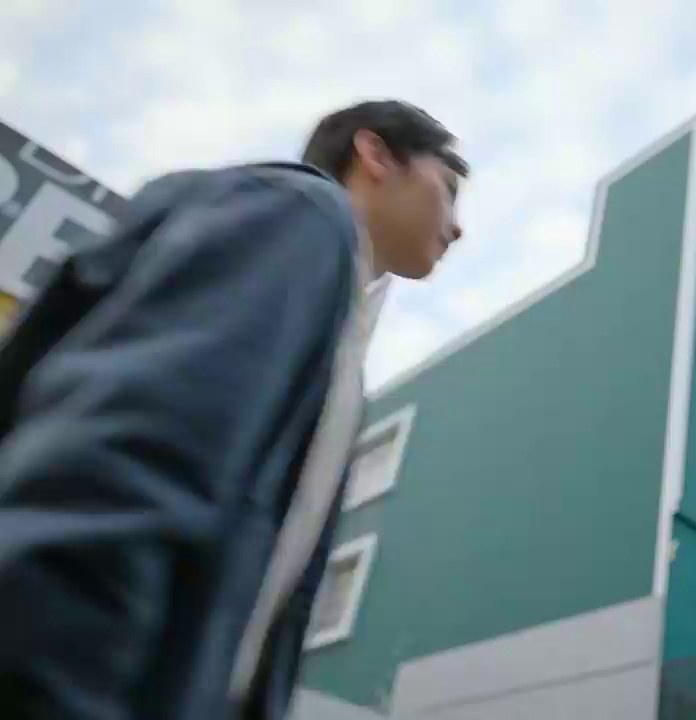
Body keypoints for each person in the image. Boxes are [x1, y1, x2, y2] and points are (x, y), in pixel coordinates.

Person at [0, 99, 467, 719]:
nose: (458, 227)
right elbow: (123, 464)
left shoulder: (338, 336)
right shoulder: (300, 216)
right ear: (375, 154)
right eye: (449, 189)